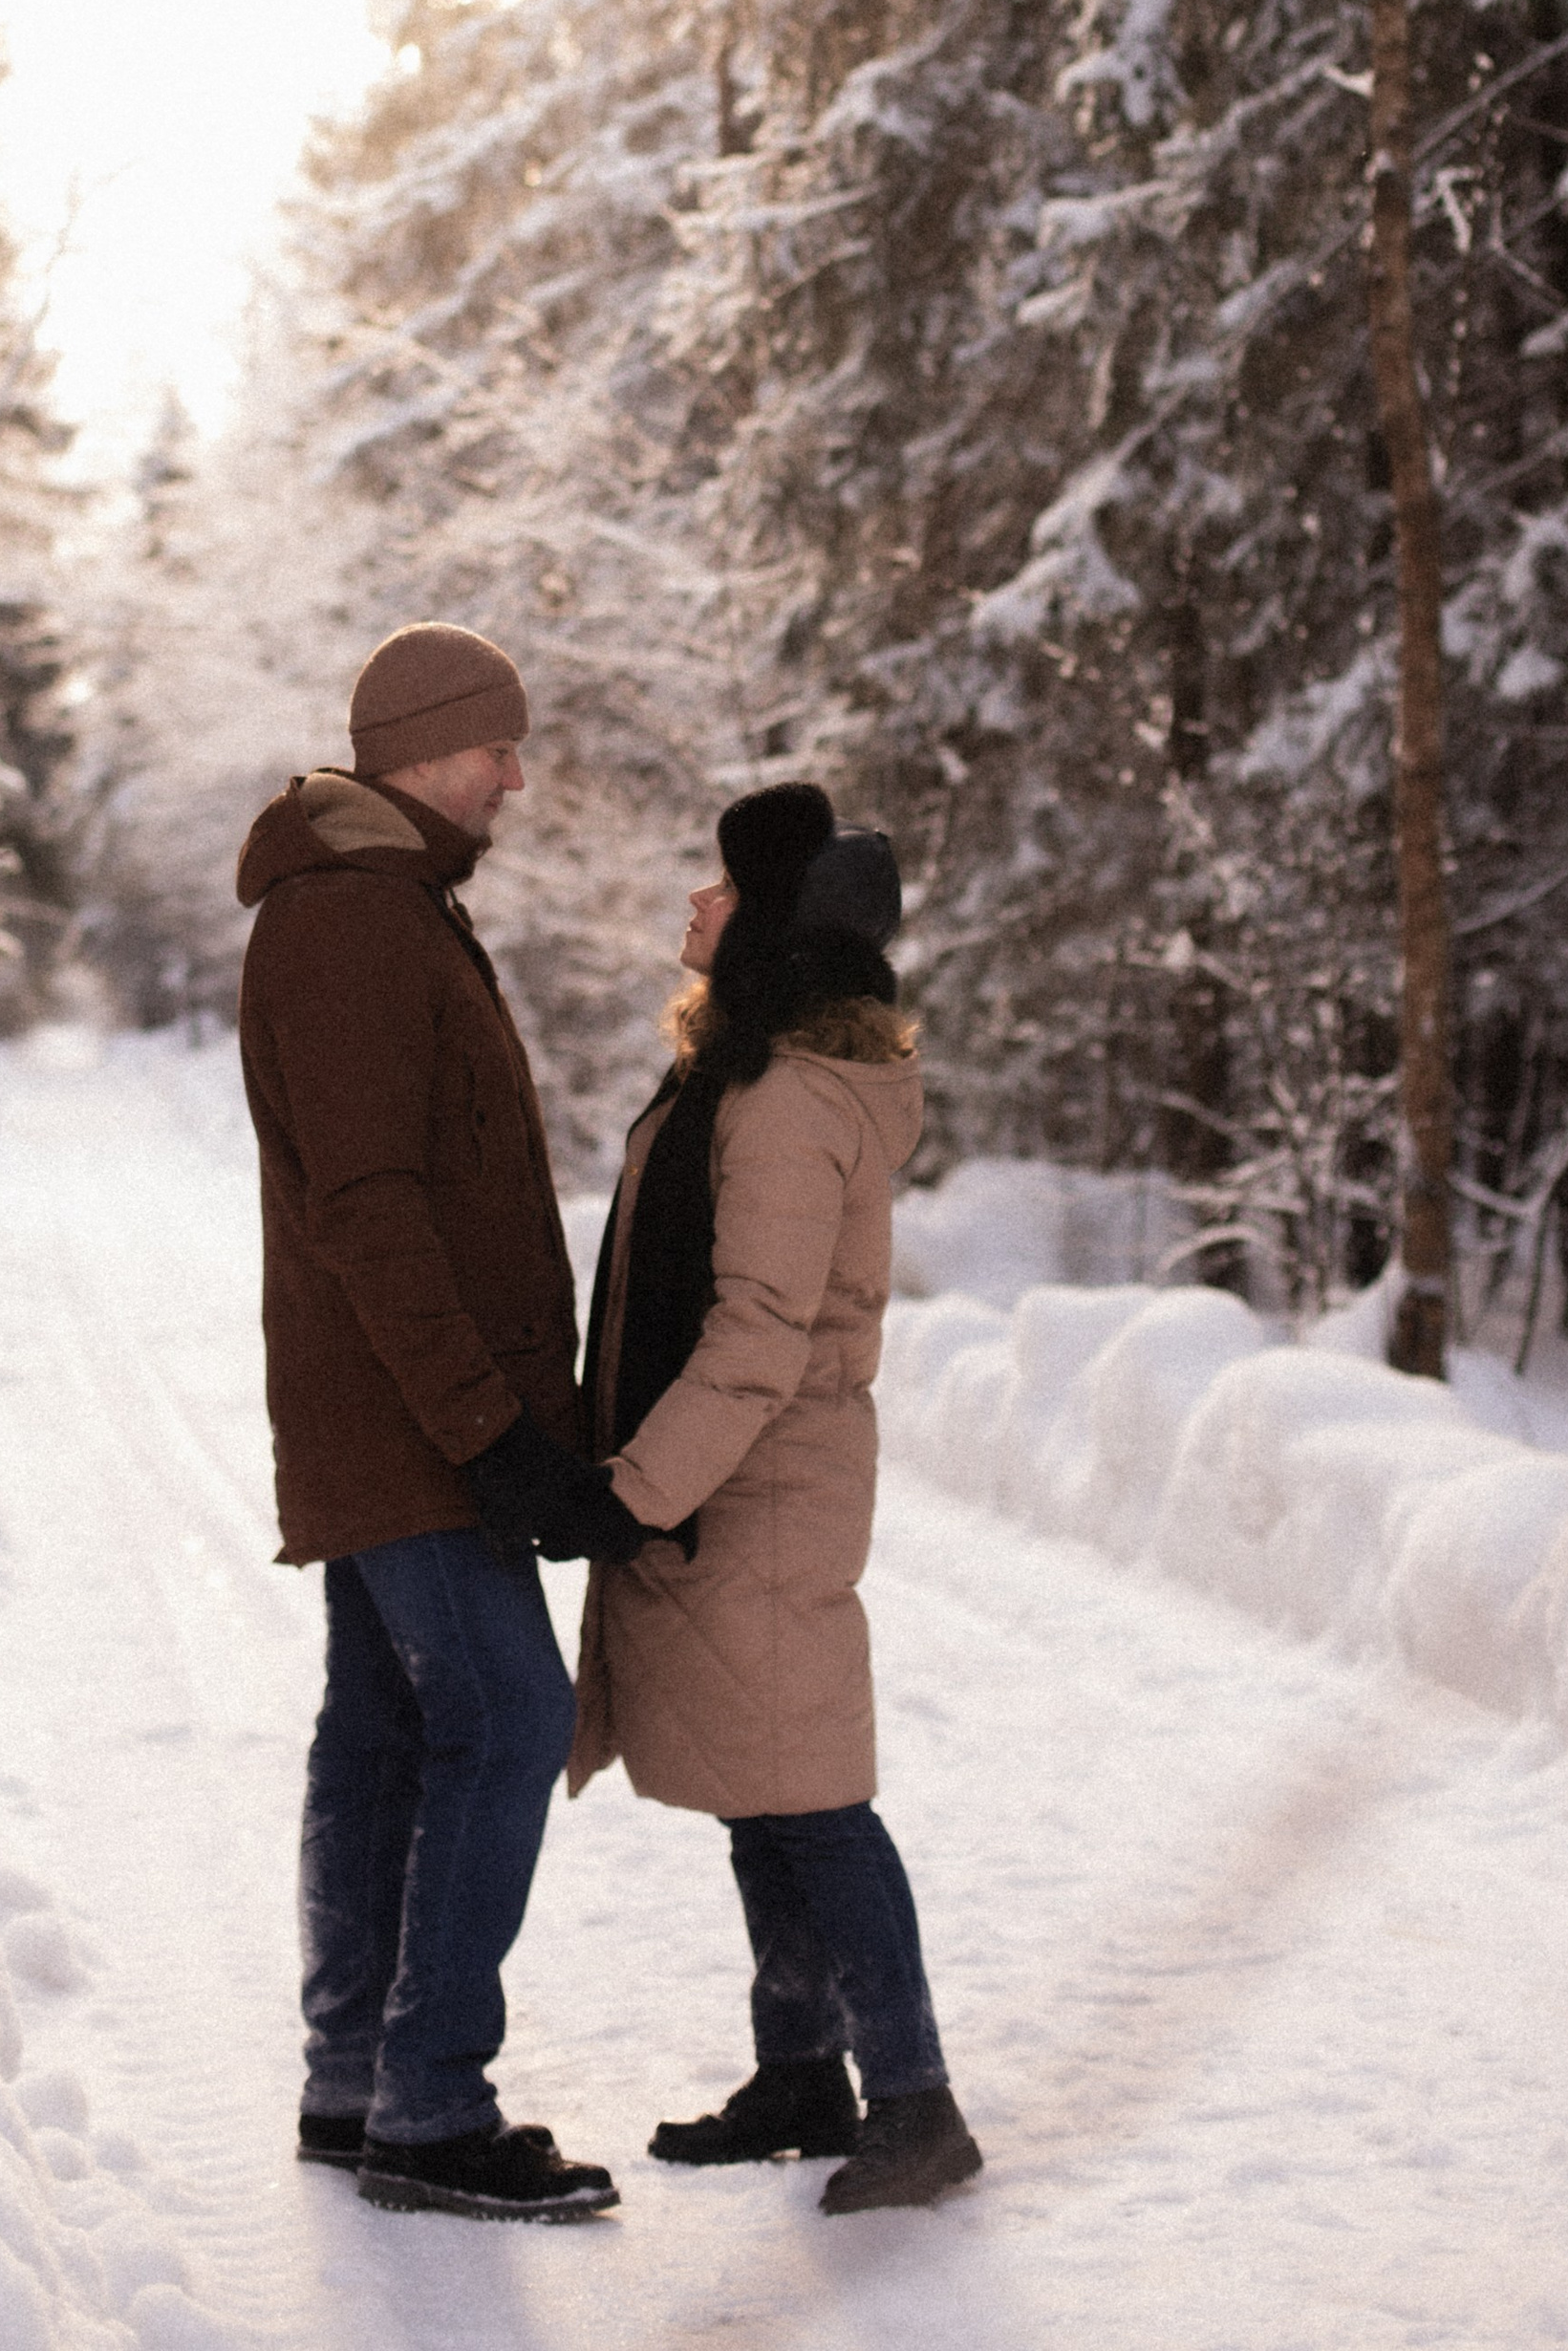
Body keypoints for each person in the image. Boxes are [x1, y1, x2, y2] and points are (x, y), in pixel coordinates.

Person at [234, 621, 650, 2227]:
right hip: (404, 1423)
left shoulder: (385, 908)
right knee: (511, 1714)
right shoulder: (348, 925)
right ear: (420, 747)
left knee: (389, 1725)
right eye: (498, 748)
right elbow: (374, 1207)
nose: (517, 778)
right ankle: (428, 2104)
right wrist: (488, 1432)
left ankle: (358, 2082)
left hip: (400, 1416)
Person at [569, 780, 984, 2214]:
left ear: (775, 935)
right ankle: (802, 2072)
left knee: (812, 1797)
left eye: (723, 892)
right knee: (766, 1788)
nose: (696, 908)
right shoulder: (745, 1078)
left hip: (767, 1484)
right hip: (731, 1479)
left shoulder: (793, 1102)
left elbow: (757, 1336)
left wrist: (633, 1488)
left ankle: (917, 2101)